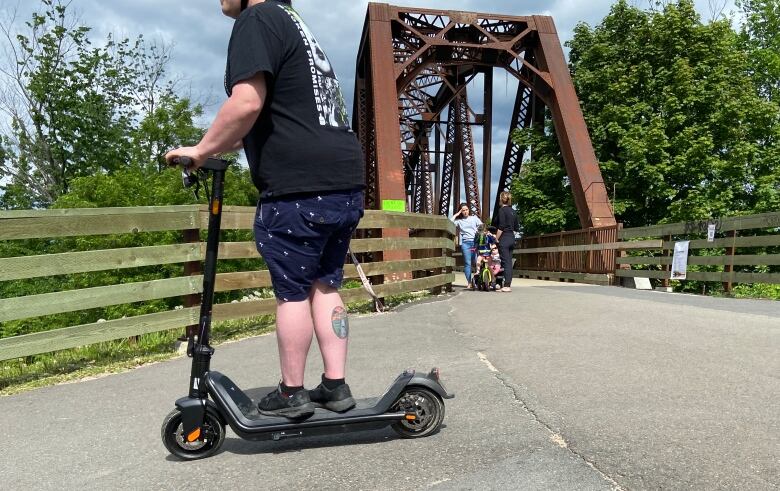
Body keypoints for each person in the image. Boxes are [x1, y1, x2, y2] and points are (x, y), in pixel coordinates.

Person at [166, 0, 364, 419]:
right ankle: (335, 385)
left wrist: (200, 150)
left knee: (292, 291)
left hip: (298, 187)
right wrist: (220, 143)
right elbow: (262, 121)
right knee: (325, 285)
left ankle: (292, 392)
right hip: (344, 179)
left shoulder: (257, 18)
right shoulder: (296, 25)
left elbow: (247, 104)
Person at [493, 192, 519, 292]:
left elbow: (501, 227)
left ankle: (507, 285)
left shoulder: (502, 210)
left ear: (501, 199)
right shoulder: (513, 211)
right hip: (511, 238)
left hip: (504, 239)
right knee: (507, 262)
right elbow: (516, 228)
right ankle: (503, 284)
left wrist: (496, 238)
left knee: (506, 262)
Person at [452, 203, 482, 288]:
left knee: (477, 262)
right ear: (461, 211)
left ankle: (478, 281)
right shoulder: (459, 221)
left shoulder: (474, 218)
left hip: (475, 243)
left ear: (469, 210)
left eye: (466, 210)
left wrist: (480, 233)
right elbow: (449, 222)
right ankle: (469, 282)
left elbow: (482, 227)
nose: (465, 212)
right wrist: (457, 214)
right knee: (467, 263)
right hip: (465, 243)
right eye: (463, 210)